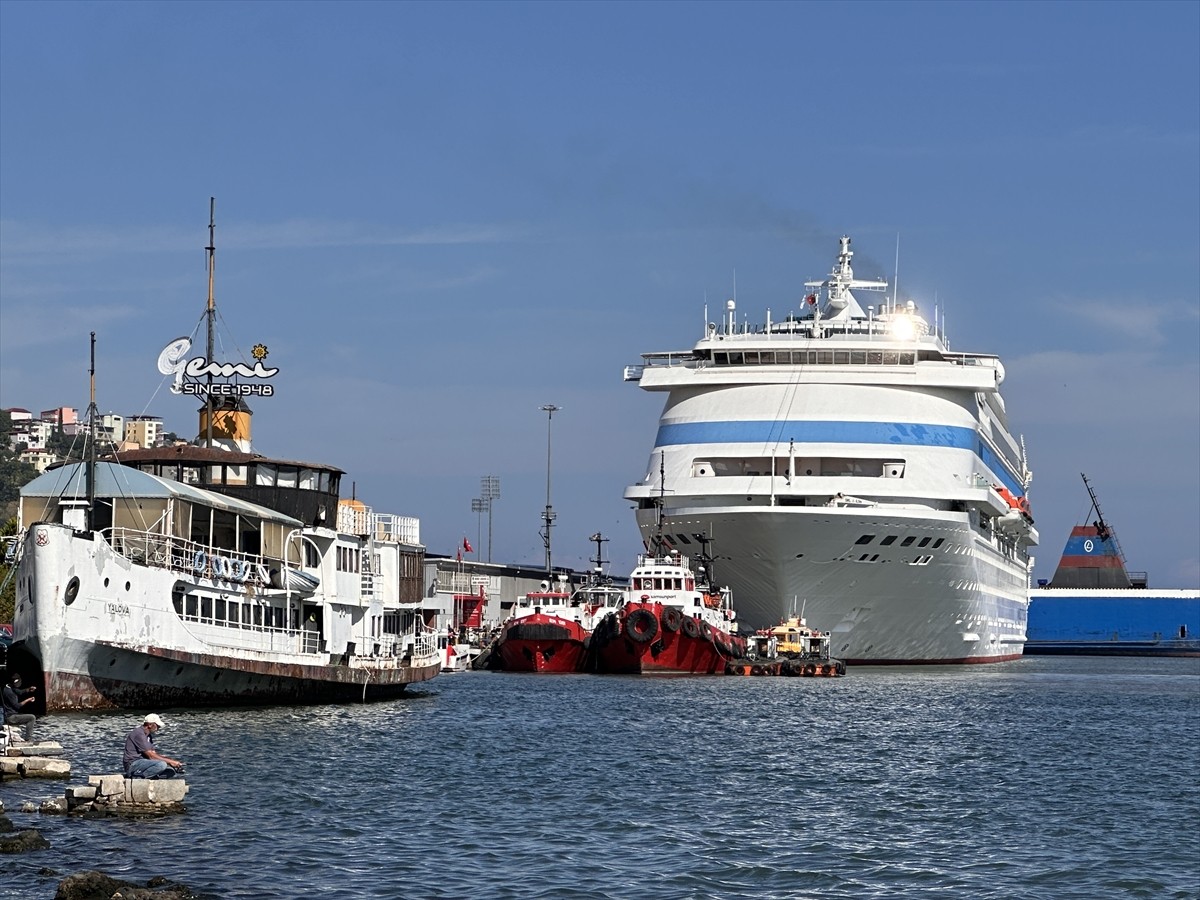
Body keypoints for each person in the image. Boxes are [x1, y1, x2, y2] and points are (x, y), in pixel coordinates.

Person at [123, 713, 184, 779]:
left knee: (171, 771)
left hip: (145, 763)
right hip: (133, 763)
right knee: (161, 765)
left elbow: (154, 754)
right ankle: (138, 777)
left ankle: (147, 776)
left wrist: (171, 761)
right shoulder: (139, 734)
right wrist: (170, 762)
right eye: (157, 726)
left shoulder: (148, 736)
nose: (159, 728)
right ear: (150, 725)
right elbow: (151, 756)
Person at [2, 673, 37, 742]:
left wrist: (29, 689)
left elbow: (19, 692)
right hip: (10, 717)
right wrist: (28, 700)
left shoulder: (9, 686)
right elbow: (17, 706)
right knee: (32, 718)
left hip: (11, 714)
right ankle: (28, 739)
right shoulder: (9, 693)